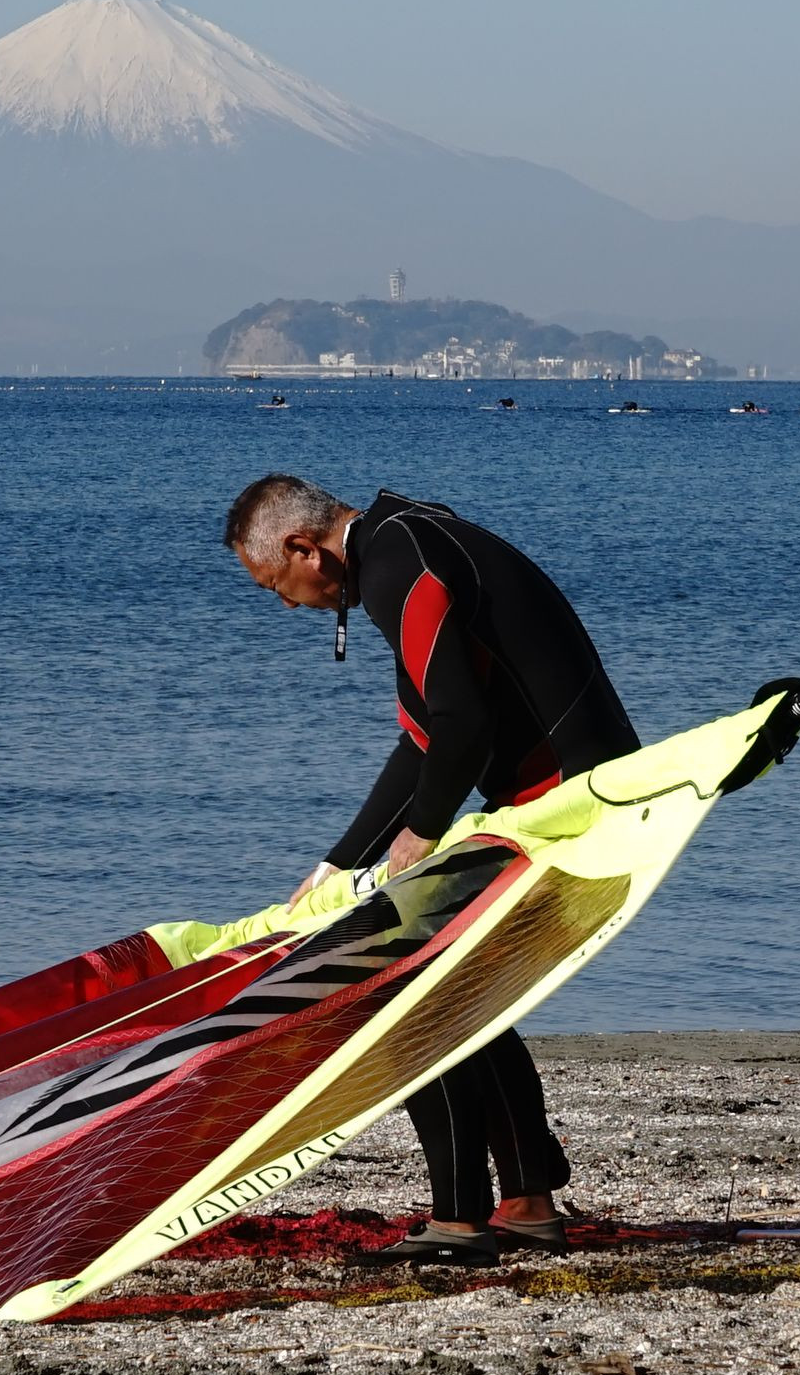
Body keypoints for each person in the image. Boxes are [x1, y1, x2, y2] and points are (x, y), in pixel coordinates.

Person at [225, 473, 638, 1263]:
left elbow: (460, 725)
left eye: (275, 585)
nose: (287, 605)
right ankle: (527, 1198)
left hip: (564, 806)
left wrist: (421, 832)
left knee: (402, 986)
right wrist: (339, 862)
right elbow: (425, 740)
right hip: (578, 796)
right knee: (463, 991)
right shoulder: (406, 539)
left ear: (303, 548)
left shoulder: (397, 564)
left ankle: (459, 1218)